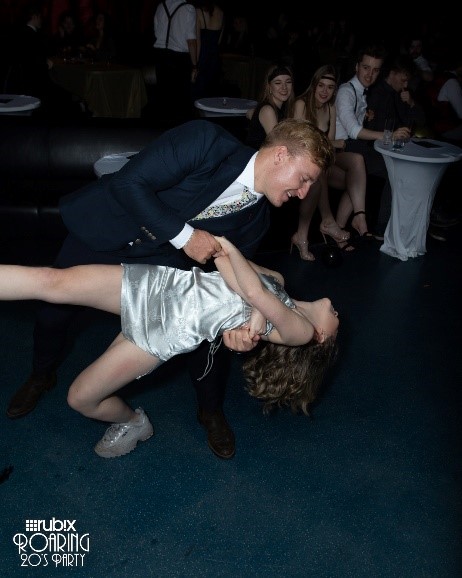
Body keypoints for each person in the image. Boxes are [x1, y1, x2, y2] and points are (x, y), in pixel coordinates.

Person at [5, 118, 334, 461]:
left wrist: (244, 326)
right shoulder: (206, 142)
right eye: (305, 178)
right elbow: (129, 182)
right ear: (281, 155)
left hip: (159, 274)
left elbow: (238, 281)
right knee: (51, 313)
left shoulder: (258, 220)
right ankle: (40, 376)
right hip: (109, 227)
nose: (305, 193)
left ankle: (210, 412)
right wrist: (185, 237)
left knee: (205, 344)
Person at [0, 237, 339, 457]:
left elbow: (254, 293)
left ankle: (134, 422)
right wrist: (216, 247)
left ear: (322, 337)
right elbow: (232, 276)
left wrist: (229, 250)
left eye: (338, 323)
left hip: (165, 331)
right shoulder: (278, 280)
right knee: (53, 281)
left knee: (80, 398)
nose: (340, 315)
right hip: (161, 285)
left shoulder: (302, 333)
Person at [292, 65, 371, 259]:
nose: (325, 91)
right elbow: (299, 140)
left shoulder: (330, 107)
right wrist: (332, 143)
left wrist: (331, 143)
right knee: (318, 168)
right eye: (321, 85)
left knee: (356, 161)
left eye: (330, 87)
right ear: (314, 85)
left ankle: (358, 216)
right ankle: (328, 223)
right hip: (301, 161)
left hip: (321, 160)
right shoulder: (301, 104)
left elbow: (330, 146)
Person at [335, 45, 411, 238]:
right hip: (340, 148)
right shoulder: (346, 91)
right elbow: (353, 131)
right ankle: (376, 224)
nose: (370, 74)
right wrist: (389, 135)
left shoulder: (363, 92)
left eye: (375, 69)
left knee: (384, 167)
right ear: (357, 67)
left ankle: (339, 228)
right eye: (366, 68)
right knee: (391, 169)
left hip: (354, 148)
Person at [153, 0, 198, 124]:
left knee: (164, 98)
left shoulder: (160, 7)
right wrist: (194, 65)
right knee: (181, 101)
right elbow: (191, 41)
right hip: (179, 59)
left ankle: (163, 129)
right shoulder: (188, 8)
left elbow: (157, 32)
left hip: (161, 56)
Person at [246, 63, 295, 154]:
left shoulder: (284, 108)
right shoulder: (267, 110)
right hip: (255, 162)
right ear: (269, 87)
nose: (284, 87)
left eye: (288, 82)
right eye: (278, 83)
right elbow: (279, 146)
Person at [192, 1, 224, 100]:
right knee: (211, 97)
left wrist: (195, 66)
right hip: (215, 59)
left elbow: (198, 42)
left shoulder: (198, 12)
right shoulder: (221, 12)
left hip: (202, 58)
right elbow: (219, 41)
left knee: (198, 95)